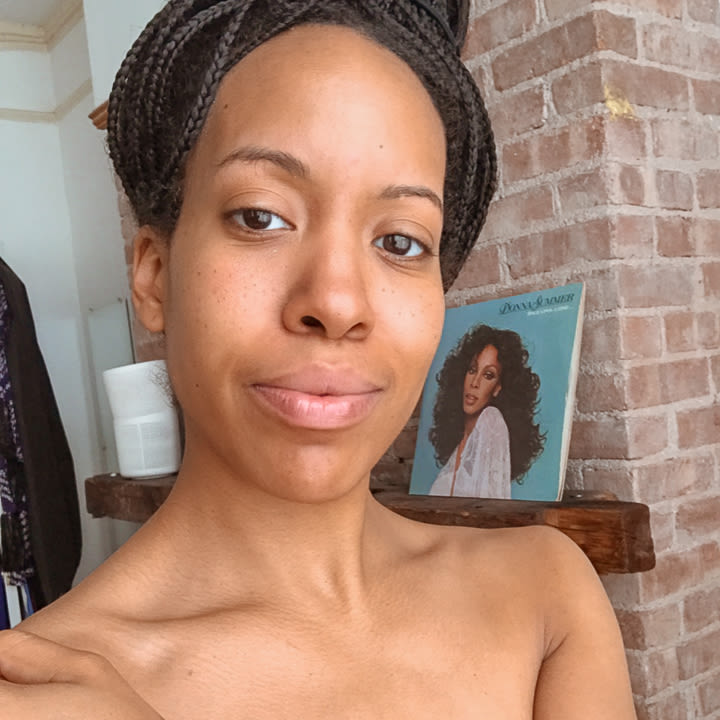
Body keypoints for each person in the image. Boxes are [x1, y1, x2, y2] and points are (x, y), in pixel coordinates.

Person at [0, 1, 637, 718]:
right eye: (260, 216)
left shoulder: (545, 596)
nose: (336, 302)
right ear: (154, 276)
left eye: (400, 242)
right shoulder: (35, 696)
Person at [429, 324, 545, 498]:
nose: (475, 383)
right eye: (472, 370)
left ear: (498, 387)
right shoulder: (460, 443)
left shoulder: (491, 421)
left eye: (488, 375)